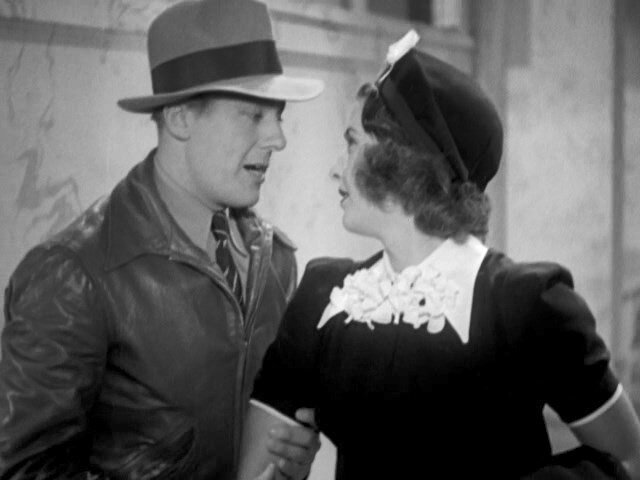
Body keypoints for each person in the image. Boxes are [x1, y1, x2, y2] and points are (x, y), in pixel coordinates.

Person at [238, 31, 640, 479]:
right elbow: (257, 471)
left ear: (401, 161)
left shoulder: (526, 304)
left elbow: (627, 456)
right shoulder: (325, 296)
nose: (336, 168)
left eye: (351, 142)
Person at [0, 1, 324, 479]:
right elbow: (23, 470)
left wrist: (284, 456)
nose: (278, 138)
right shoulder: (75, 274)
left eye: (278, 116)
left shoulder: (275, 260)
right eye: (253, 115)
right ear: (180, 119)